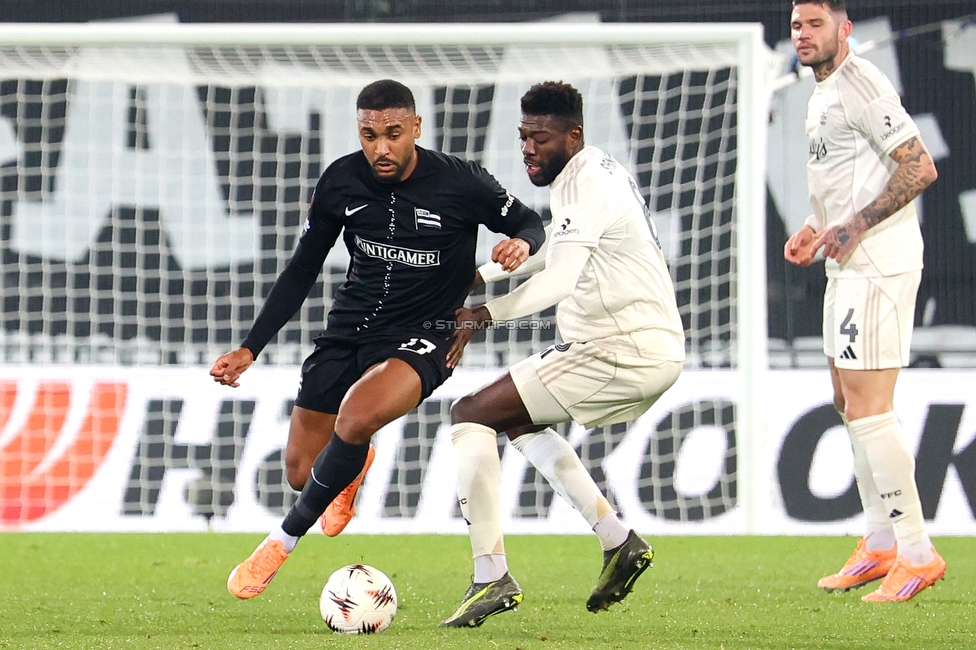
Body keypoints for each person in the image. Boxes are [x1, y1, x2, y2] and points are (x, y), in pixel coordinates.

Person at [213, 79, 545, 599]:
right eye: (369, 135)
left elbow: (530, 222)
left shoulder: (462, 182)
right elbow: (302, 269)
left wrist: (521, 243)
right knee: (303, 473)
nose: (381, 148)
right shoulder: (341, 181)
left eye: (393, 133)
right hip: (350, 328)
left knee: (356, 416)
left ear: (416, 128)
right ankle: (354, 463)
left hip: (426, 333)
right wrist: (250, 347)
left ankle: (279, 543)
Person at [439, 81, 686, 628]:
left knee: (470, 414)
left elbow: (560, 280)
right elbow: (560, 243)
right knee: (517, 419)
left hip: (620, 348)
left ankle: (490, 576)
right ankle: (618, 541)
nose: (528, 149)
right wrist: (481, 275)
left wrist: (483, 314)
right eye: (523, 136)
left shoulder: (584, 184)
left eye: (541, 139)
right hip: (643, 346)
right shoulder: (592, 171)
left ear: (573, 136)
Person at [785, 0, 945, 603]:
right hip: (846, 261)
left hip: (879, 263)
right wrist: (815, 225)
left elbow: (919, 167)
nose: (803, 34)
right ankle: (879, 543)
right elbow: (853, 179)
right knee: (846, 401)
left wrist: (855, 225)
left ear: (843, 29)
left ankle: (917, 553)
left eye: (815, 24)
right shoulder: (822, 92)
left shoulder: (861, 81)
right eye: (796, 25)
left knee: (870, 407)